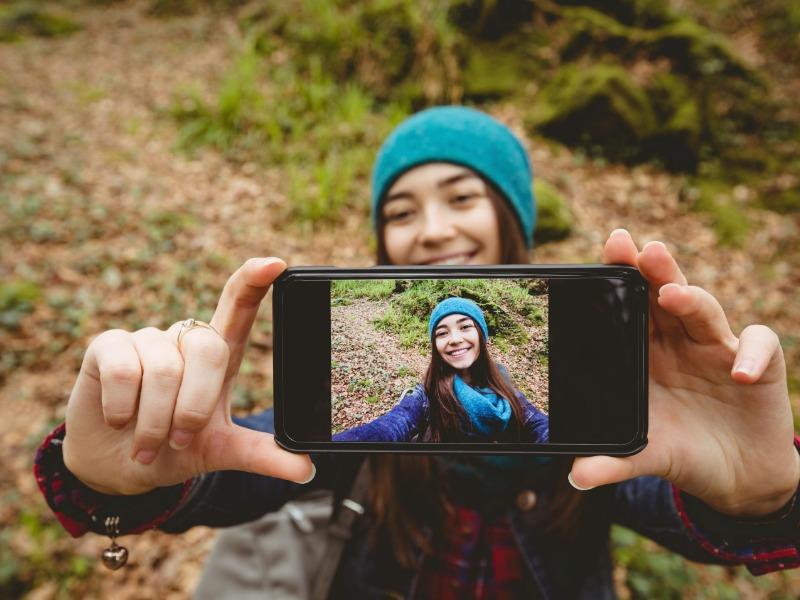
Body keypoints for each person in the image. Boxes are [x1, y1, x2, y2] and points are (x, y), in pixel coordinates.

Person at [34, 106, 799, 598]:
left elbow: (659, 493)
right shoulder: (404, 409)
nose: (432, 230)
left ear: (512, 219)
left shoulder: (560, 400)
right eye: (402, 210)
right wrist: (121, 476)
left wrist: (763, 498)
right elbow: (265, 460)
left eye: (462, 198)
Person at [333, 296, 550, 443]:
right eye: (442, 333)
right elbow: (390, 427)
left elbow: (536, 424)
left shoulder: (504, 387)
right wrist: (327, 450)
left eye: (465, 327)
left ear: (482, 336)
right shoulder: (427, 396)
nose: (455, 339)